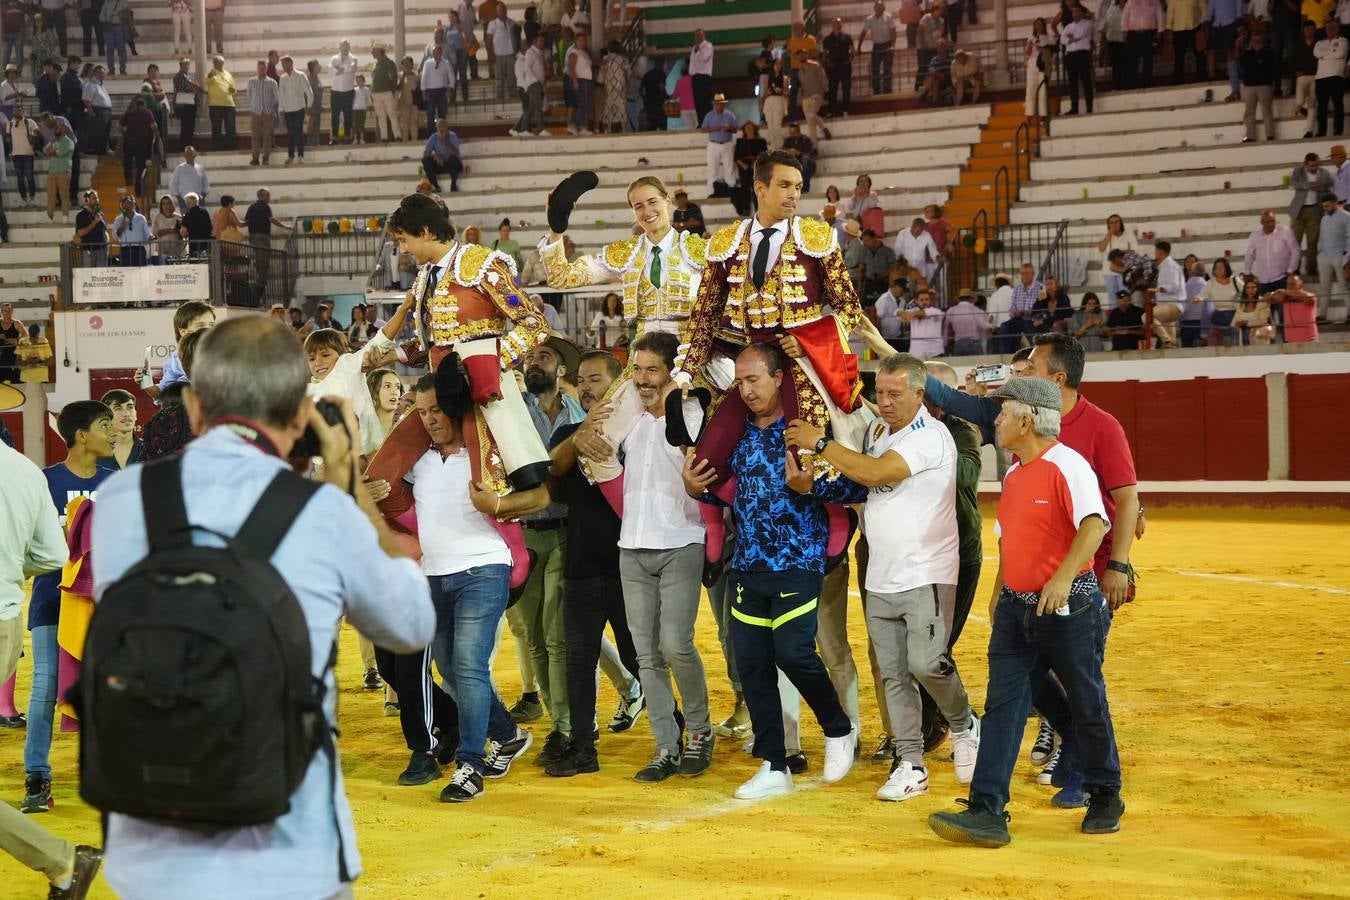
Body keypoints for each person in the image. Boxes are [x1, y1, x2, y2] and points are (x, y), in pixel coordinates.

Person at [90, 316, 435, 893]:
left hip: (153, 844)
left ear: (196, 407)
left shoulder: (123, 500)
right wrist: (349, 488)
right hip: (288, 848)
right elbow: (411, 623)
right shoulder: (319, 512)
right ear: (301, 414)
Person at [928, 375, 1123, 846]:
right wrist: (1000, 589)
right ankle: (986, 809)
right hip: (1017, 609)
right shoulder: (1015, 473)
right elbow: (1012, 540)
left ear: (1027, 418)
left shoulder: (1068, 465)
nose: (994, 419)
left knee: (1086, 700)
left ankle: (1105, 793)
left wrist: (1061, 579)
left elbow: (1095, 526)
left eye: (1001, 411)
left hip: (1068, 607)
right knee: (1003, 708)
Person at [786, 352, 980, 801]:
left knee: (927, 663)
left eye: (896, 394)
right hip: (880, 572)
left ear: (920, 394)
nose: (885, 402)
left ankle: (964, 721)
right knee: (893, 672)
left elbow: (875, 472)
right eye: (881, 393)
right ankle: (910, 762)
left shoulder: (933, 437)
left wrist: (819, 443)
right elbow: (861, 485)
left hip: (927, 569)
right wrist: (813, 486)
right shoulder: (876, 431)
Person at [572, 330, 712, 783]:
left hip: (681, 542)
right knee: (647, 655)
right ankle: (665, 744)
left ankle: (699, 732)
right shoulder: (627, 421)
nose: (643, 378)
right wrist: (583, 435)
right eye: (637, 369)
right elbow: (595, 451)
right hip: (631, 546)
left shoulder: (691, 412)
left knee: (676, 644)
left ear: (673, 371)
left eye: (653, 369)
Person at [0, 434, 105, 899]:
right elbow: (50, 556)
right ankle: (62, 860)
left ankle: (60, 858)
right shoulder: (25, 471)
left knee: (46, 689)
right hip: (9, 619)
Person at [540, 350, 646, 777]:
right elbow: (555, 468)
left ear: (618, 385)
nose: (586, 387)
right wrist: (580, 433)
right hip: (582, 565)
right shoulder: (568, 430)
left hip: (628, 567)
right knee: (578, 661)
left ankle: (673, 727)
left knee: (640, 658)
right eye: (581, 380)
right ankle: (584, 746)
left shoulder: (637, 432)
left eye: (596, 380)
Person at [20, 400, 114, 814]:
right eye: (104, 425)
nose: (112, 433)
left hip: (103, 607)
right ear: (80, 435)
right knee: (44, 686)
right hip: (52, 600)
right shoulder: (44, 482)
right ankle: (36, 777)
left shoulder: (118, 483)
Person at [1238, 29, 1277, 143]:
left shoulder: (1269, 53)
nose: (1256, 42)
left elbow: (1272, 69)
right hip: (1250, 86)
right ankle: (1250, 136)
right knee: (1249, 112)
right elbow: (1241, 63)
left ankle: (1270, 134)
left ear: (1263, 41)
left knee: (1267, 111)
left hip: (1264, 85)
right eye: (1254, 40)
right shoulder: (1247, 54)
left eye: (1259, 40)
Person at [702, 92, 737, 199]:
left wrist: (729, 128)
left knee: (729, 168)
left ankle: (732, 190)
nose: (719, 105)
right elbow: (703, 129)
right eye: (717, 104)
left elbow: (735, 129)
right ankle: (712, 192)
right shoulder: (709, 115)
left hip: (727, 143)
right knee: (712, 168)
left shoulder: (730, 115)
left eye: (721, 103)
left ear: (724, 104)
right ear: (714, 104)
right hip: (713, 144)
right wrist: (714, 128)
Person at [96, 388, 141, 469]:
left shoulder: (151, 450)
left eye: (130, 407)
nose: (127, 414)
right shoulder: (92, 454)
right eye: (118, 408)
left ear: (136, 414)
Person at [860, 0, 897, 94]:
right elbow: (863, 32)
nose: (878, 7)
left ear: (883, 7)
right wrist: (858, 47)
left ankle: (887, 90)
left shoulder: (888, 17)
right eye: (877, 6)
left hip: (887, 45)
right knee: (875, 69)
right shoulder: (869, 19)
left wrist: (893, 45)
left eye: (880, 6)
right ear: (874, 7)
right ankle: (876, 90)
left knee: (887, 69)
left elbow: (893, 31)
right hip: (876, 46)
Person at [732, 121, 768, 217]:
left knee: (758, 188)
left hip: (757, 167)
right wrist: (743, 165)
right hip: (744, 167)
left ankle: (759, 209)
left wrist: (756, 164)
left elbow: (765, 156)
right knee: (745, 188)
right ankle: (746, 209)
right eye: (747, 127)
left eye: (750, 127)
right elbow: (736, 157)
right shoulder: (740, 141)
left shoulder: (761, 141)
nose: (749, 129)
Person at [43, 116, 75, 220]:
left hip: (63, 172)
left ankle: (65, 216)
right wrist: (51, 145)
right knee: (50, 195)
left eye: (59, 128)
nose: (56, 129)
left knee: (64, 195)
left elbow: (56, 153)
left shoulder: (69, 142)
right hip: (52, 172)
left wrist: (50, 152)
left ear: (65, 130)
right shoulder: (53, 141)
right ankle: (49, 216)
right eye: (56, 128)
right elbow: (45, 151)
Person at [203, 54, 235, 150]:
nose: (218, 64)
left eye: (220, 62)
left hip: (229, 104)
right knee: (216, 128)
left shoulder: (228, 74)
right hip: (215, 105)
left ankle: (231, 146)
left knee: (231, 127)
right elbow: (206, 81)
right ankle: (217, 147)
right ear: (213, 63)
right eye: (216, 62)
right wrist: (210, 75)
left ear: (223, 63)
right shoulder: (210, 74)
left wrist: (233, 90)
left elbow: (234, 88)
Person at [109, 193, 151, 266]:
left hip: (139, 250)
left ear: (134, 204)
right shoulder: (119, 219)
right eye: (126, 203)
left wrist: (151, 237)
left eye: (130, 203)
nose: (129, 205)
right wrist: (122, 227)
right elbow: (115, 236)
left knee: (141, 273)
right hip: (125, 250)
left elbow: (147, 234)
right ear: (122, 206)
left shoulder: (141, 218)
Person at [822, 17, 853, 114]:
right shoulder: (827, 39)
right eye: (835, 23)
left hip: (844, 65)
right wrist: (827, 63)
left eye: (839, 23)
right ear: (832, 25)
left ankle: (846, 109)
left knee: (846, 88)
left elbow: (852, 50)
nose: (838, 25)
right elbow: (825, 53)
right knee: (832, 89)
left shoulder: (847, 37)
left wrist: (849, 60)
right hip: (833, 67)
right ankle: (832, 110)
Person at [422, 118, 462, 193]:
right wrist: (435, 156)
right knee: (426, 160)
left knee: (453, 159)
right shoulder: (434, 137)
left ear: (447, 127)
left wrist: (444, 141)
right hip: (440, 164)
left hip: (452, 165)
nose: (441, 128)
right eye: (439, 126)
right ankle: (435, 186)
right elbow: (425, 153)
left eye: (443, 126)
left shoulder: (452, 135)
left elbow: (455, 154)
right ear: (437, 128)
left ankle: (453, 185)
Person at [329, 39, 357, 142]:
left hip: (348, 90)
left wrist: (338, 69)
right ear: (340, 47)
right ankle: (335, 136)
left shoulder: (353, 58)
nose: (344, 48)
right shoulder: (333, 58)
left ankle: (347, 136)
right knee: (334, 114)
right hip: (335, 90)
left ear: (349, 47)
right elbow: (329, 70)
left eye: (346, 46)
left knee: (348, 114)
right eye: (343, 46)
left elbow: (351, 69)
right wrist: (341, 69)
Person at [782, 122, 817, 192]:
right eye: (790, 132)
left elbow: (810, 154)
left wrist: (799, 153)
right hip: (793, 162)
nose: (792, 134)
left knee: (805, 160)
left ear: (798, 131)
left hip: (806, 163)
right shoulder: (788, 141)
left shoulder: (805, 140)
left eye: (794, 132)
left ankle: (805, 188)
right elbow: (783, 151)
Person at [689, 28, 714, 125]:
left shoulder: (708, 46)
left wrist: (699, 48)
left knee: (705, 101)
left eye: (700, 35)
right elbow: (692, 63)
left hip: (703, 76)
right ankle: (701, 122)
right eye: (696, 36)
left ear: (704, 36)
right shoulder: (694, 47)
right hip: (695, 77)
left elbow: (704, 58)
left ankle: (709, 122)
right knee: (698, 102)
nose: (698, 38)